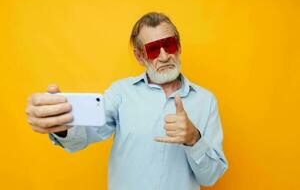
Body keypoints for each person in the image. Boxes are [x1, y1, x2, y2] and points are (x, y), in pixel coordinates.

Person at [25, 12, 228, 190]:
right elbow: (82, 136)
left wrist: (194, 139)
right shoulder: (121, 93)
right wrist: (62, 127)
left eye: (169, 45)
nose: (165, 56)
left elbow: (210, 177)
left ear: (179, 47)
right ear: (140, 57)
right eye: (154, 49)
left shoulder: (205, 101)